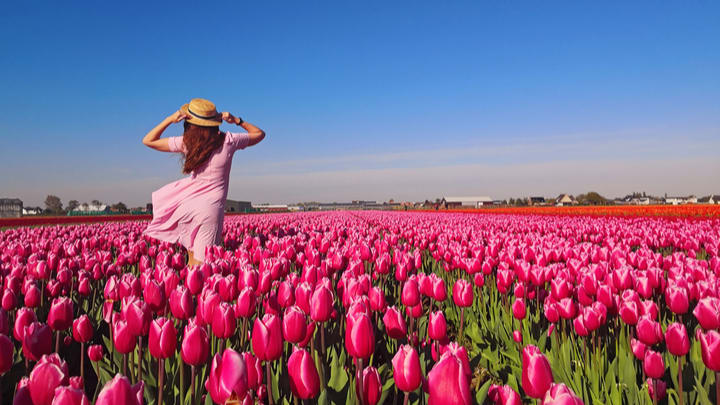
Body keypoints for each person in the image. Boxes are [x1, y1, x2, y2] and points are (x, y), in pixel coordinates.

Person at [142, 98, 265, 266]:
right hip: (210, 210)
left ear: (189, 123)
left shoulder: (188, 143)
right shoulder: (229, 140)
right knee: (202, 269)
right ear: (215, 123)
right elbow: (259, 134)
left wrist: (171, 119)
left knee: (192, 262)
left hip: (188, 206)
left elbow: (148, 140)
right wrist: (237, 121)